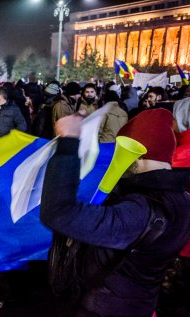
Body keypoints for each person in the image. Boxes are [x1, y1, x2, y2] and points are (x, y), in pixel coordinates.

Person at [41, 108, 190, 317]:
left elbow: (58, 213)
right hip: (141, 304)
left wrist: (69, 144)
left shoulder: (141, 211)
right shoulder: (183, 200)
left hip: (105, 309)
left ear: (139, 153)